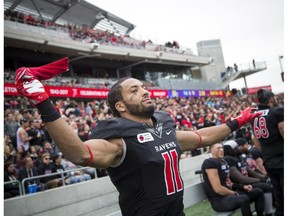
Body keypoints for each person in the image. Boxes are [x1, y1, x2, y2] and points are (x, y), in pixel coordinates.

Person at [14, 58, 261, 216]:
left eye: (143, 87)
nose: (145, 92)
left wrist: (237, 121)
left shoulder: (162, 125)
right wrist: (44, 101)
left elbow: (200, 137)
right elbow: (80, 154)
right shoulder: (118, 138)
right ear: (120, 106)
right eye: (135, 90)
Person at [202, 143, 265, 216]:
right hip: (219, 200)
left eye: (222, 148)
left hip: (229, 196)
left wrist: (243, 187)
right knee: (243, 199)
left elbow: (229, 183)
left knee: (258, 192)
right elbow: (218, 189)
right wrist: (234, 193)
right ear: (211, 151)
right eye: (218, 148)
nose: (221, 150)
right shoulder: (209, 163)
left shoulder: (223, 161)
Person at [251, 89, 284, 216]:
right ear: (270, 99)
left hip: (268, 159)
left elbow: (257, 144)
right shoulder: (276, 112)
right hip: (281, 157)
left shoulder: (254, 115)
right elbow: (283, 131)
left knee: (278, 191)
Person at [223, 140, 273, 216]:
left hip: (247, 183)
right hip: (240, 186)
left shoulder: (238, 157)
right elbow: (241, 179)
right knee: (265, 187)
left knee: (267, 184)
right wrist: (260, 180)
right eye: (237, 147)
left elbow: (251, 172)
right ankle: (268, 213)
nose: (239, 148)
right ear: (232, 149)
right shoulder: (228, 159)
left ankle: (268, 212)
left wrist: (265, 177)